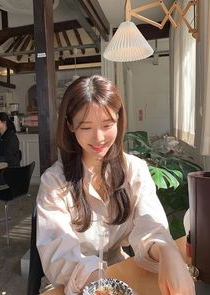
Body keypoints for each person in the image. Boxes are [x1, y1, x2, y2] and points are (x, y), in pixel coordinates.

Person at [36, 75, 195, 295]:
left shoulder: (135, 170)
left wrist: (167, 253)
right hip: (73, 284)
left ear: (119, 120)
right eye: (85, 127)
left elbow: (151, 224)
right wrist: (102, 286)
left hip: (122, 272)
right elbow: (58, 256)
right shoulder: (54, 182)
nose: (99, 137)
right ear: (70, 125)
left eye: (107, 124)